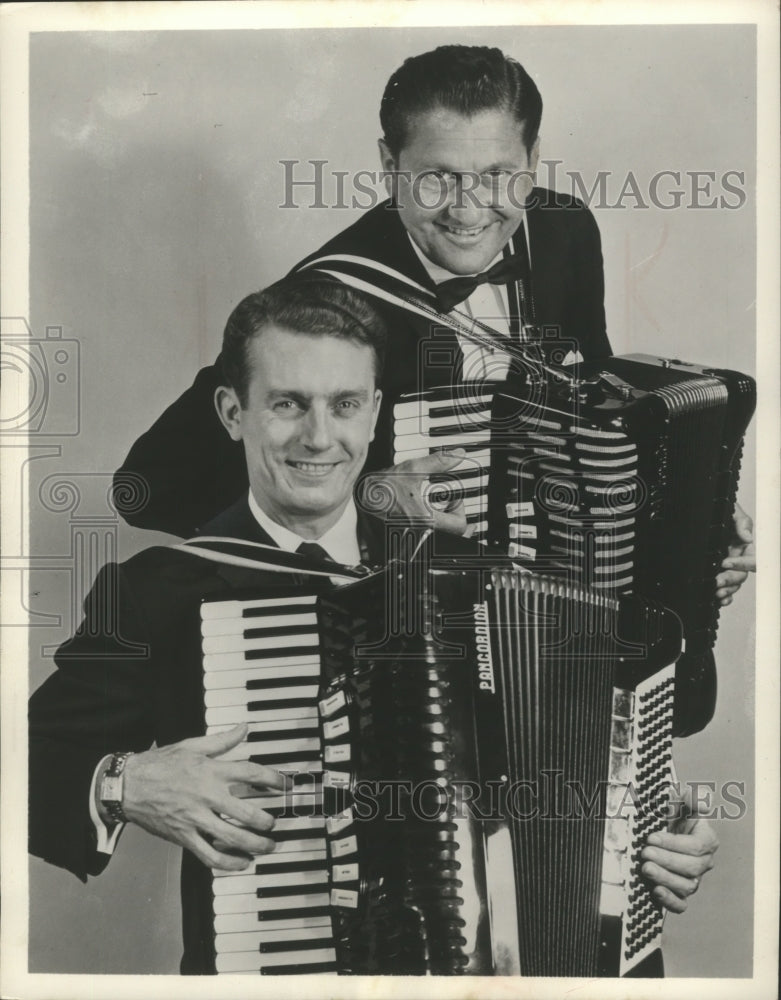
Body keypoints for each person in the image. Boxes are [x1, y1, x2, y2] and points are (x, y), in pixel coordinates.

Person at [30, 277, 718, 975]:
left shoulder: (474, 561)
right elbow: (28, 763)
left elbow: (593, 747)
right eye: (287, 404)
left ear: (375, 410)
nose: (318, 437)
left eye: (345, 404)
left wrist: (649, 833)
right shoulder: (161, 593)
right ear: (232, 412)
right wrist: (123, 782)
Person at [113, 44, 753, 601]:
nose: (470, 210)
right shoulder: (324, 302)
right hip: (405, 626)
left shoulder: (564, 233)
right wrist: (352, 501)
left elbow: (596, 406)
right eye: (437, 178)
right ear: (390, 166)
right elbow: (149, 486)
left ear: (534, 160)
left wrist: (693, 510)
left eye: (499, 175)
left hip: (556, 610)